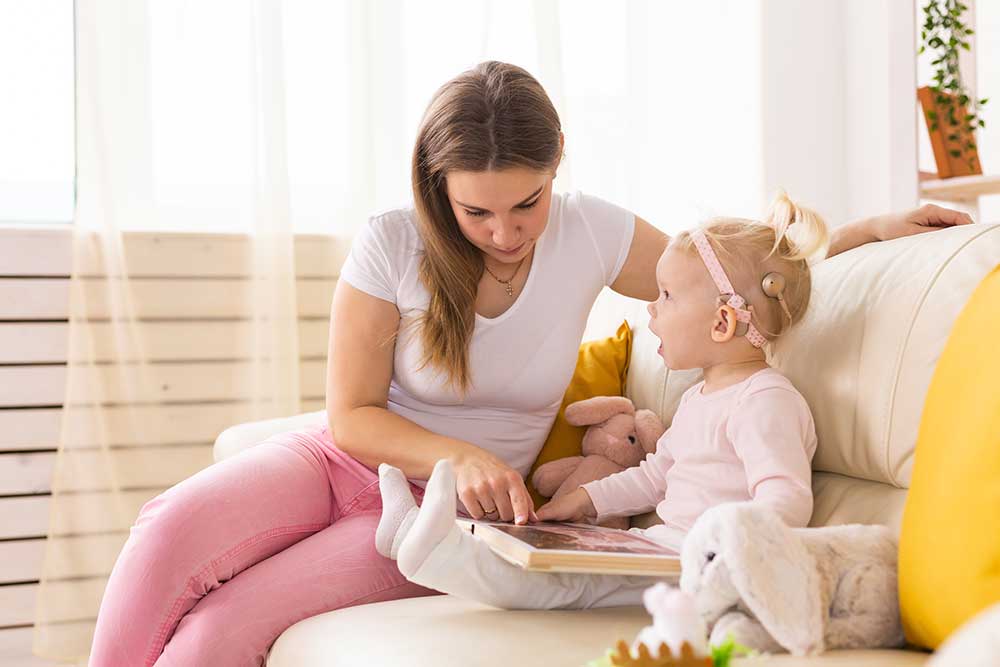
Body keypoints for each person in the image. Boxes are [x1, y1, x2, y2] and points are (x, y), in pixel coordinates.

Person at [87, 60, 973, 666]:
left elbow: (724, 276)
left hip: (445, 514)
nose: (506, 232)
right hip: (340, 459)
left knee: (221, 630)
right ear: (437, 189)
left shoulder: (589, 230)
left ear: (557, 172)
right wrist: (459, 451)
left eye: (527, 202)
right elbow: (352, 414)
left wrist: (857, 236)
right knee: (165, 535)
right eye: (477, 212)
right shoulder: (390, 244)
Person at [375, 191, 827, 609]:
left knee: (553, 585)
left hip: (698, 571)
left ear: (723, 322)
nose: (652, 306)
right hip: (664, 550)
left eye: (666, 296)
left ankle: (433, 550)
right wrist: (586, 500)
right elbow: (655, 476)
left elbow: (786, 499)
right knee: (550, 559)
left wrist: (719, 551)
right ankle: (417, 535)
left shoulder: (765, 401)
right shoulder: (699, 399)